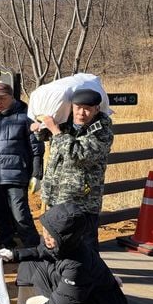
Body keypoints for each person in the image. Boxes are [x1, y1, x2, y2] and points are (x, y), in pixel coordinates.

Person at [3, 202, 128, 304]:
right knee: (30, 263)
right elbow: (40, 251)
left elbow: (62, 303)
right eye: (45, 231)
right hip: (82, 294)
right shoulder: (61, 244)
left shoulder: (77, 265)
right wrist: (14, 254)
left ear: (66, 238)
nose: (46, 238)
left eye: (51, 236)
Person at [35, 88, 114, 251]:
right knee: (53, 246)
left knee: (85, 249)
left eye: (87, 109)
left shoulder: (102, 131)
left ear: (96, 109)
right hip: (57, 197)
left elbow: (78, 154)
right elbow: (45, 137)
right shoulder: (65, 123)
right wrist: (40, 127)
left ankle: (93, 277)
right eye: (78, 107)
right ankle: (60, 276)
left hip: (82, 202)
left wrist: (56, 131)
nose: (82, 113)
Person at [0, 82, 43, 249]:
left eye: (1, 98)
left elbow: (36, 148)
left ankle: (32, 247)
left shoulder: (25, 117)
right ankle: (6, 245)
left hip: (16, 175)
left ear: (11, 97)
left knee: (20, 214)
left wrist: (36, 174)